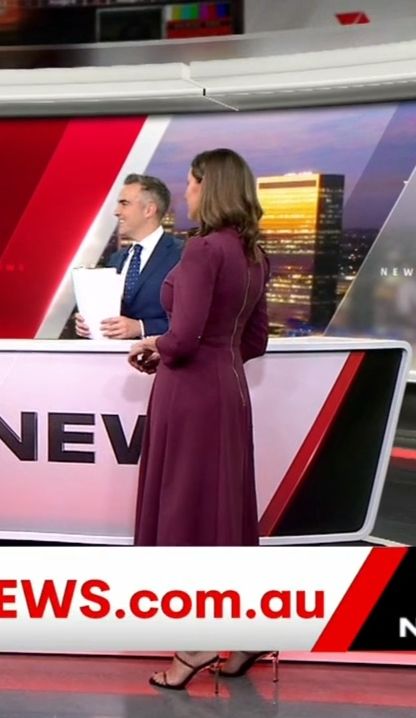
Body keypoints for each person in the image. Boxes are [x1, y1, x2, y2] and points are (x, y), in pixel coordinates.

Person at [128, 149, 271, 689]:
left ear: (207, 188)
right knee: (224, 513)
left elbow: (183, 338)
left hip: (188, 398)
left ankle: (196, 643)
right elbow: (254, 341)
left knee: (187, 513)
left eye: (190, 184)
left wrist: (154, 347)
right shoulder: (254, 254)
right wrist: (202, 354)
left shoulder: (203, 249)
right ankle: (248, 630)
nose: (185, 193)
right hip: (229, 393)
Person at [75, 174, 183, 339]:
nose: (116, 212)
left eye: (124, 204)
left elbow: (195, 319)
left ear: (149, 210)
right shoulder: (116, 259)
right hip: (113, 354)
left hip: (158, 354)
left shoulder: (181, 255)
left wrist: (141, 327)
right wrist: (90, 323)